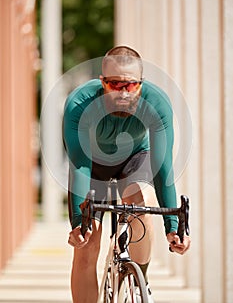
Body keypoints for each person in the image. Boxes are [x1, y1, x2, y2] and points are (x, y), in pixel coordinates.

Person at [63, 45, 191, 303]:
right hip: (92, 164)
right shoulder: (79, 103)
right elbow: (80, 165)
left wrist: (174, 227)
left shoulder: (156, 104)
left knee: (139, 202)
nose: (123, 92)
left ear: (141, 84)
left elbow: (162, 167)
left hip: (135, 159)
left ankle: (139, 280)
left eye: (130, 85)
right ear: (102, 82)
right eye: (114, 84)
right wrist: (79, 222)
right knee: (87, 246)